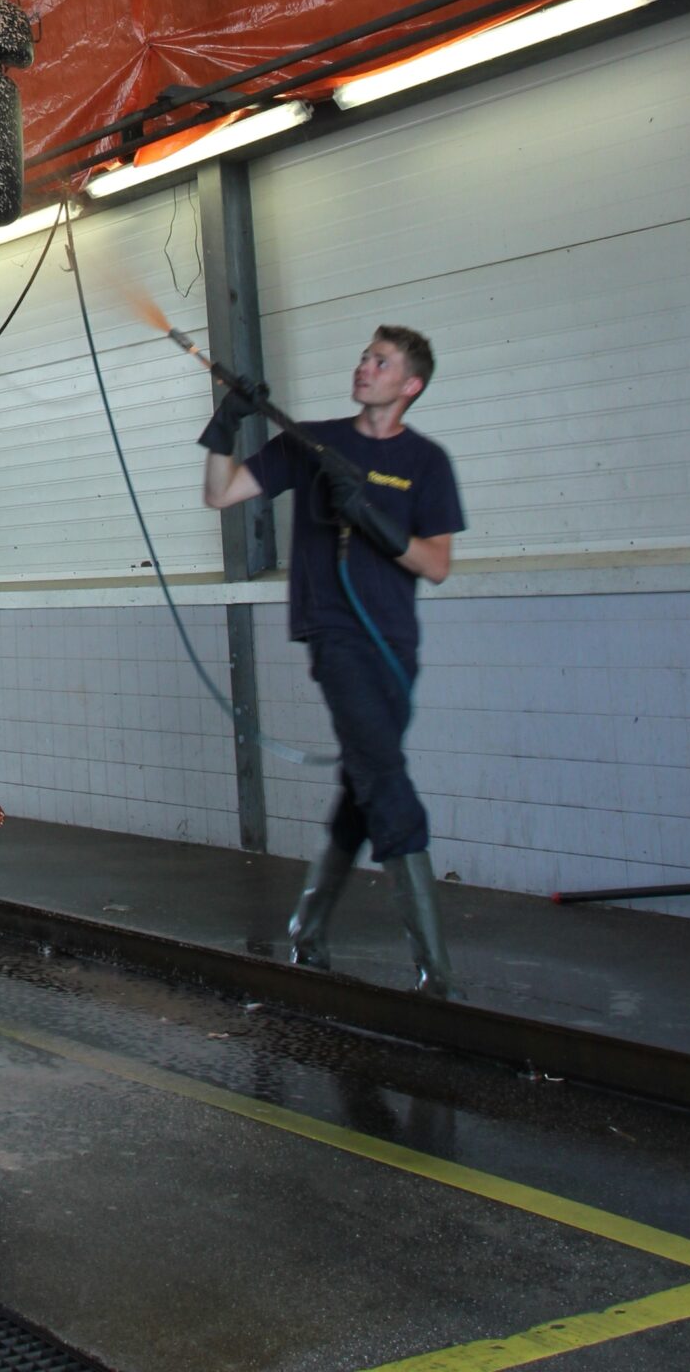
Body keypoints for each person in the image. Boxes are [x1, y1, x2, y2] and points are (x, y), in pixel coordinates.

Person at [201, 326, 464, 995]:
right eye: (362, 356)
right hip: (334, 637)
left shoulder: (427, 462)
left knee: (364, 785)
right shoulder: (313, 444)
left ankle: (307, 931)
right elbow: (221, 493)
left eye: (380, 362)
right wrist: (223, 428)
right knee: (386, 780)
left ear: (410, 386)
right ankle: (435, 971)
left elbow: (434, 564)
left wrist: (375, 523)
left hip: (394, 648)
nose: (363, 366)